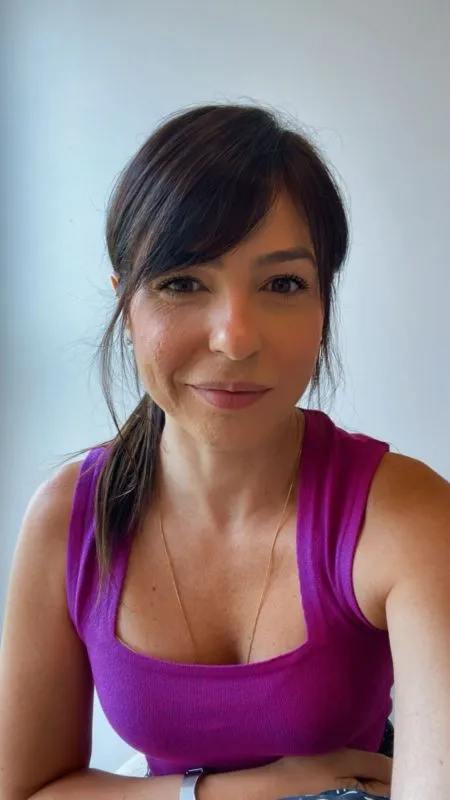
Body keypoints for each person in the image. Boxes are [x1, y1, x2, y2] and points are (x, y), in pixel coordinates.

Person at [0, 104, 449, 800]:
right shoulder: (67, 519)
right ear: (126, 306)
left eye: (282, 284)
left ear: (323, 304)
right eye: (183, 283)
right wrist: (243, 789)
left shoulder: (406, 515)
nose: (234, 339)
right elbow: (27, 789)